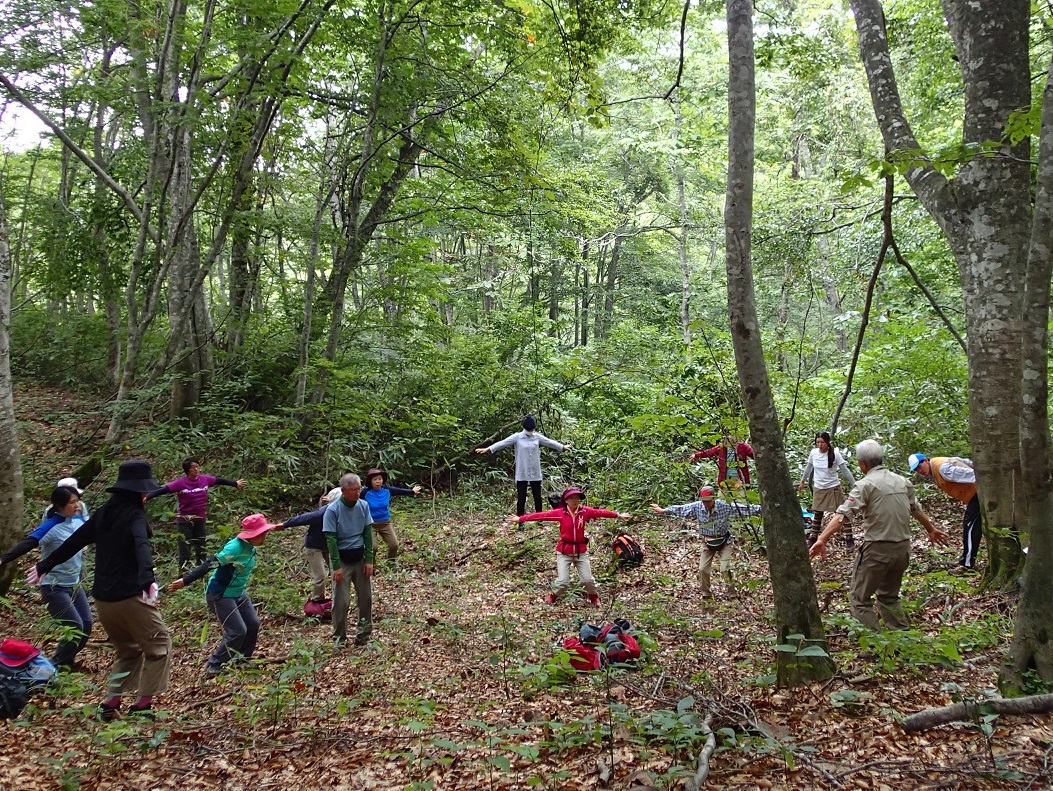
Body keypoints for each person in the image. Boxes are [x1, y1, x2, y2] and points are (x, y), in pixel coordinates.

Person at [27, 459, 172, 720]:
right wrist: (147, 578)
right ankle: (142, 706)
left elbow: (75, 541)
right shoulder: (135, 514)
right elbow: (141, 543)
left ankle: (110, 702)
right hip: (129, 596)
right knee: (159, 645)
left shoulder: (104, 512)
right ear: (140, 491)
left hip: (103, 599)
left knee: (128, 650)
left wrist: (44, 565)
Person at [809, 440, 947, 631]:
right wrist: (930, 529)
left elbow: (843, 515)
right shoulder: (902, 481)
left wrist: (822, 538)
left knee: (859, 598)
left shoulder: (865, 485)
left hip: (877, 550)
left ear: (862, 464)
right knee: (889, 596)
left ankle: (874, 643)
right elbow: (916, 510)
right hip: (902, 549)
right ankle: (901, 638)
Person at [167, 513, 280, 676]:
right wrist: (185, 581)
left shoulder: (252, 547)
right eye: (262, 533)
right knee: (237, 630)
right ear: (251, 535)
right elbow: (210, 564)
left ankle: (241, 660)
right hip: (221, 593)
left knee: (253, 624)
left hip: (238, 592)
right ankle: (214, 665)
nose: (264, 536)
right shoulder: (234, 548)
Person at [1, 486, 93, 669]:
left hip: (74, 584)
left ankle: (67, 663)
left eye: (77, 501)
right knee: (75, 626)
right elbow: (29, 542)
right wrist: (4, 558)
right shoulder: (51, 526)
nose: (77, 505)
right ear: (59, 505)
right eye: (72, 502)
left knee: (87, 625)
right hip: (54, 587)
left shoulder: (77, 519)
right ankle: (54, 669)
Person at [510, 486, 631, 607]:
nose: (575, 500)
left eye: (577, 498)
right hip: (564, 551)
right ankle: (553, 596)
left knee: (587, 580)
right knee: (563, 582)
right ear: (566, 500)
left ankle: (593, 596)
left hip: (580, 551)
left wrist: (618, 515)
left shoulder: (585, 511)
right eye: (571, 498)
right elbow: (541, 515)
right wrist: (520, 518)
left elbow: (601, 512)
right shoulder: (560, 513)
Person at [650, 485, 762, 599]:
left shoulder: (725, 506)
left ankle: (732, 593)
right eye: (704, 501)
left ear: (713, 498)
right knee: (702, 569)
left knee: (725, 568)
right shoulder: (697, 507)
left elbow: (743, 509)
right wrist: (664, 511)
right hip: (707, 542)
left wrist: (762, 509)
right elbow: (682, 509)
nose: (706, 503)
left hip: (725, 541)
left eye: (708, 501)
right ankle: (706, 594)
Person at [146, 457, 247, 567]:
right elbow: (163, 490)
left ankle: (200, 570)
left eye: (197, 466)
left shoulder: (204, 480)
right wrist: (147, 497)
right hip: (184, 520)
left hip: (199, 518)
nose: (196, 469)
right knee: (185, 548)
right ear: (187, 470)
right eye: (193, 467)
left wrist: (234, 483)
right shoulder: (180, 483)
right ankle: (183, 572)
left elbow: (219, 481)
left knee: (201, 546)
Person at [475, 415, 571, 516]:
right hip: (522, 472)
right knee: (521, 498)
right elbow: (502, 443)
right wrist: (488, 449)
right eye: (528, 429)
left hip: (535, 471)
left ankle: (539, 518)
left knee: (537, 497)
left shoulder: (537, 436)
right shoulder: (517, 437)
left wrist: (562, 447)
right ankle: (520, 521)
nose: (530, 431)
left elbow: (549, 442)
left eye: (532, 429)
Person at [324, 473, 375, 647]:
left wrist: (369, 559)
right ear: (344, 491)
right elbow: (331, 540)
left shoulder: (363, 506)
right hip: (342, 559)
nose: (357, 493)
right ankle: (339, 638)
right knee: (341, 601)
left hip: (359, 556)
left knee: (365, 597)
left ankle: (364, 635)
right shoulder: (332, 510)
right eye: (353, 490)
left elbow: (368, 534)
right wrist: (336, 567)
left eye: (359, 489)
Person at [908, 453, 981, 571]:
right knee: (971, 527)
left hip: (977, 494)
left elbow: (972, 474)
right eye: (916, 469)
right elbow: (961, 460)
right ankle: (966, 561)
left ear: (926, 460)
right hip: (975, 495)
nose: (919, 470)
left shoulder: (942, 469)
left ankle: (966, 565)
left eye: (920, 466)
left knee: (970, 527)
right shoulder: (937, 467)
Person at [279, 487, 341, 605]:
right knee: (320, 576)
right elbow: (303, 519)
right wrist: (285, 524)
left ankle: (337, 598)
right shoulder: (323, 513)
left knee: (337, 571)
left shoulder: (346, 511)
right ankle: (318, 601)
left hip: (330, 545)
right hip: (314, 546)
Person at [799, 432, 856, 547]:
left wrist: (855, 484)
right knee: (818, 513)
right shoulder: (813, 453)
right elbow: (809, 467)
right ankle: (813, 537)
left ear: (828, 442)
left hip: (833, 488)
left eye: (822, 442)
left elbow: (844, 470)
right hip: (819, 487)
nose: (820, 445)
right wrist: (803, 481)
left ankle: (849, 538)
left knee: (842, 513)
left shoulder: (835, 454)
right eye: (818, 442)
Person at [362, 468, 423, 561]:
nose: (378, 481)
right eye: (375, 479)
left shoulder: (387, 490)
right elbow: (353, 499)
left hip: (385, 523)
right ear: (370, 481)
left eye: (380, 479)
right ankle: (370, 565)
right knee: (373, 547)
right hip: (370, 524)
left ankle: (391, 562)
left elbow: (399, 491)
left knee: (394, 545)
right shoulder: (365, 493)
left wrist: (412, 491)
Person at [691, 434, 755, 490]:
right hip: (725, 480)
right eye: (728, 436)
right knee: (723, 500)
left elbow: (754, 455)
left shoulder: (743, 447)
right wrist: (696, 455)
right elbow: (709, 452)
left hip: (739, 480)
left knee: (740, 501)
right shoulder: (721, 448)